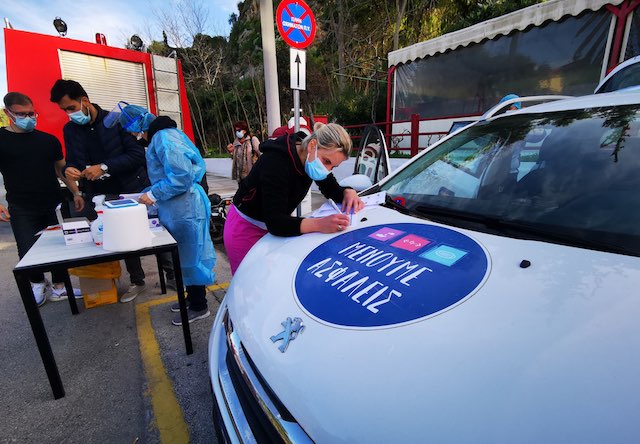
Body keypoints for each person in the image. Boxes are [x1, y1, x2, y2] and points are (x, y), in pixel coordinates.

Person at [111, 103, 216, 325]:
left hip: (186, 207)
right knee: (185, 256)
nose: (132, 135)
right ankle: (192, 298)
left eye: (130, 129)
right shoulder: (162, 138)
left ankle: (199, 305)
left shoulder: (164, 138)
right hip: (179, 206)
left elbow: (181, 175)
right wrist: (150, 194)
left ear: (139, 123)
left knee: (191, 256)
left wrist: (154, 194)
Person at [50, 79, 150, 303]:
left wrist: (104, 166)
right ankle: (115, 282)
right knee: (103, 236)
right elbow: (71, 161)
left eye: (71, 108)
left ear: (84, 101)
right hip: (97, 194)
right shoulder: (71, 129)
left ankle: (159, 277)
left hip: (128, 189)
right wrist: (71, 171)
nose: (69, 114)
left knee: (137, 235)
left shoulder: (117, 121)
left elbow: (137, 156)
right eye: (64, 110)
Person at [224, 122, 364, 275]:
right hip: (246, 228)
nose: (327, 170)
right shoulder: (276, 162)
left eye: (333, 167)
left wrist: (348, 192)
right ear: (312, 145)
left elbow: (332, 190)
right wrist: (320, 224)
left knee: (271, 279)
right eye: (327, 162)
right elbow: (276, 222)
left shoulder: (312, 158)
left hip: (272, 229)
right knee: (249, 285)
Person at [0, 92, 84, 306]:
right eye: (21, 114)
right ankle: (37, 283)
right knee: (28, 250)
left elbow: (61, 169)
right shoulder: (2, 140)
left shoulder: (47, 141)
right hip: (21, 207)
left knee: (58, 247)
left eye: (31, 113)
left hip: (52, 204)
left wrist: (76, 192)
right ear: (7, 113)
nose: (28, 118)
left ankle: (59, 286)